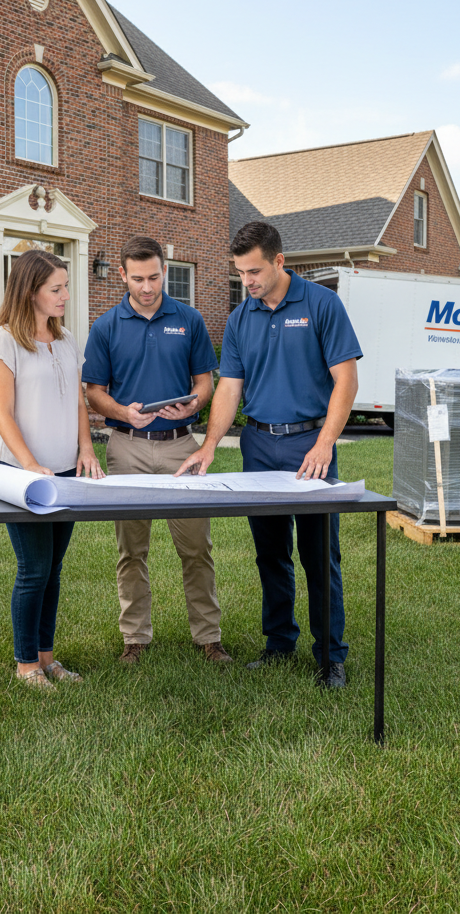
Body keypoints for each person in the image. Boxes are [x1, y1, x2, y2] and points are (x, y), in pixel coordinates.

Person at [175, 221, 361, 687]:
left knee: (319, 556)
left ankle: (330, 657)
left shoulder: (322, 305)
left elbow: (346, 380)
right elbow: (229, 388)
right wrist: (211, 444)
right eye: (240, 273)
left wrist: (324, 443)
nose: (248, 282)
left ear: (280, 261)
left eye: (254, 271)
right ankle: (279, 644)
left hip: (308, 444)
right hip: (258, 445)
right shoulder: (241, 318)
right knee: (271, 553)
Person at [82, 235, 230, 665]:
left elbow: (206, 382)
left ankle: (209, 637)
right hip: (126, 448)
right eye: (137, 278)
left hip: (180, 446)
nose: (146, 287)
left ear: (164, 271)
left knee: (196, 548)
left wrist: (196, 402)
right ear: (124, 275)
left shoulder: (189, 319)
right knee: (132, 551)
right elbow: (94, 392)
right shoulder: (107, 325)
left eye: (154, 277)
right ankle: (135, 639)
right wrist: (123, 413)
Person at [0, 249, 105, 690]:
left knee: (53, 569)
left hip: (65, 473)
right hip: (22, 476)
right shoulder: (3, 342)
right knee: (33, 567)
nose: (66, 295)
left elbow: (77, 401)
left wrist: (86, 449)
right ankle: (25, 664)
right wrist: (30, 465)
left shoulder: (67, 339)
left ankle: (48, 659)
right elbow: (3, 413)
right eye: (57, 288)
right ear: (31, 291)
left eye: (66, 286)